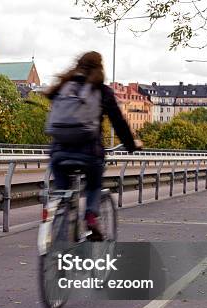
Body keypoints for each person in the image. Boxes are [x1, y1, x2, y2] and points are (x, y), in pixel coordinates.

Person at [46, 51, 142, 240]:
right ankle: (90, 217)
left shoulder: (63, 87)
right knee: (93, 185)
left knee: (61, 191)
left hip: (58, 153)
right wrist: (131, 145)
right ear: (99, 68)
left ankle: (59, 214)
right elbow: (119, 122)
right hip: (89, 153)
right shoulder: (102, 91)